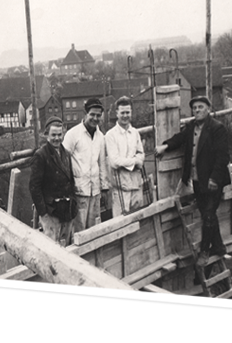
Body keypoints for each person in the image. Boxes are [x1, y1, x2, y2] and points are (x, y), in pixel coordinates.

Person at [156, 96, 232, 266]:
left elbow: (223, 157)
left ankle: (205, 251)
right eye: (195, 108)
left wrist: (214, 178)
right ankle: (219, 247)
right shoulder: (191, 127)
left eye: (200, 107)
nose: (197, 110)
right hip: (197, 180)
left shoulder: (217, 128)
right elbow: (179, 139)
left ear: (208, 109)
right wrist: (165, 146)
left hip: (213, 181)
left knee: (209, 214)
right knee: (207, 214)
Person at [63, 97, 110, 232]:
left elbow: (102, 163)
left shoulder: (100, 137)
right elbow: (64, 161)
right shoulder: (73, 134)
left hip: (95, 191)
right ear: (85, 114)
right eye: (92, 114)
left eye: (98, 115)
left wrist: (104, 187)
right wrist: (68, 188)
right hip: (78, 191)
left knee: (94, 228)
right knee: (79, 229)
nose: (95, 118)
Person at [28, 116, 76, 245]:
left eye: (59, 135)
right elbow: (34, 187)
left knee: (66, 245)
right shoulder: (41, 155)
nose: (57, 138)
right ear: (46, 135)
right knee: (52, 247)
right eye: (53, 135)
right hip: (51, 212)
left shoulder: (66, 154)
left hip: (66, 210)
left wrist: (73, 202)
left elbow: (71, 181)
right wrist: (43, 214)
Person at [105, 96, 145, 214]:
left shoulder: (135, 133)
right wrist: (135, 161)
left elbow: (141, 155)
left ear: (131, 112)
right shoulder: (111, 135)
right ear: (117, 113)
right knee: (121, 221)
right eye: (122, 113)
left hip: (136, 185)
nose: (125, 115)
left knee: (138, 218)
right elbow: (115, 162)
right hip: (120, 188)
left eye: (128, 112)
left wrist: (129, 161)